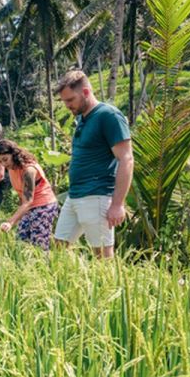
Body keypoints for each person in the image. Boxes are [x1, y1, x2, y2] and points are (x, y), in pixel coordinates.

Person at [53, 69, 133, 258]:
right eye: (64, 101)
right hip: (75, 196)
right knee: (58, 249)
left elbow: (126, 159)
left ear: (86, 92)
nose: (67, 106)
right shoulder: (82, 119)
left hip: (96, 195)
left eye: (70, 100)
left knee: (102, 256)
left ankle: (108, 287)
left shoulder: (108, 115)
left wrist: (117, 204)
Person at [0, 140, 60, 249]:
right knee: (21, 240)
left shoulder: (29, 170)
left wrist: (10, 222)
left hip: (44, 205)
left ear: (14, 154)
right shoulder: (12, 168)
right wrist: (18, 217)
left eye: (5, 159)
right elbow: (22, 196)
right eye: (0, 162)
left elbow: (28, 201)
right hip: (28, 207)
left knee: (38, 244)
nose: (4, 164)